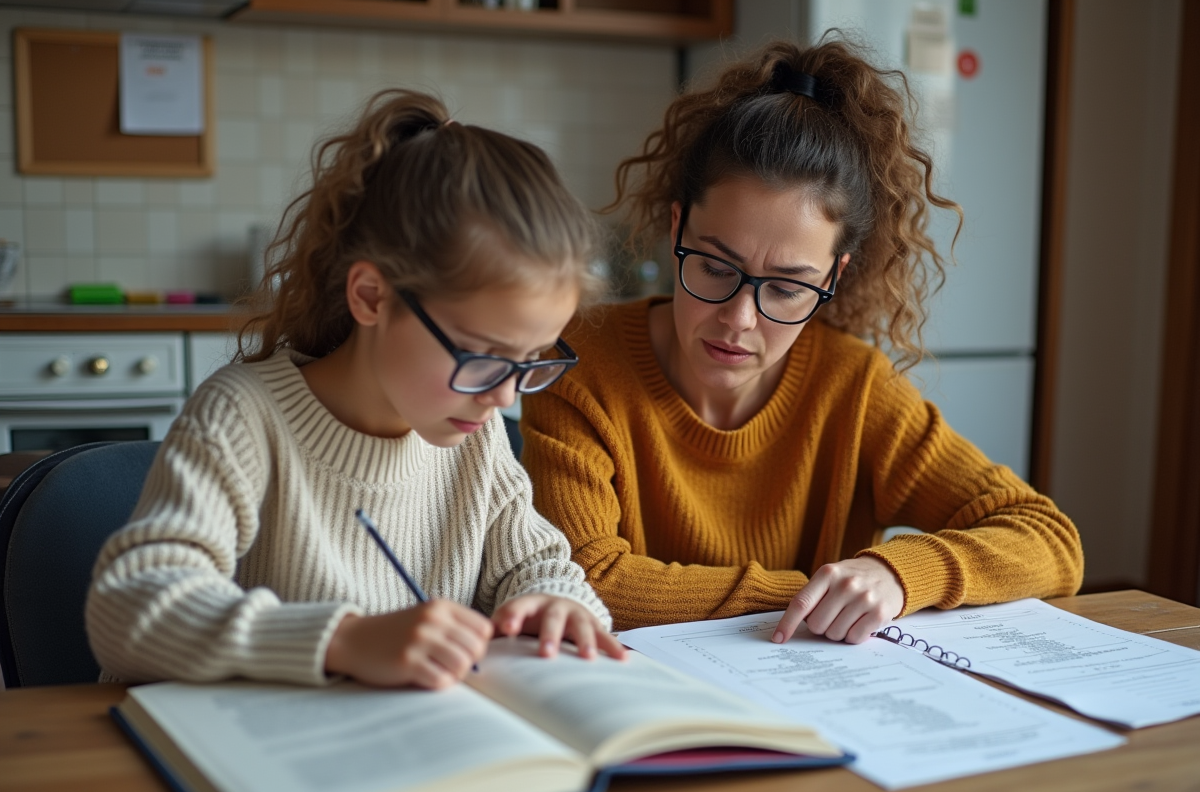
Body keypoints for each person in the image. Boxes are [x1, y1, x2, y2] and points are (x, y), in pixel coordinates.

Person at [519, 39, 1083, 645]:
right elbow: (584, 581)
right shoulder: (580, 360)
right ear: (678, 227)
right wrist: (818, 595)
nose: (738, 318)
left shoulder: (854, 386)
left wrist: (898, 573)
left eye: (787, 287)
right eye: (714, 266)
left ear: (834, 278)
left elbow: (1047, 537)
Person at [86, 89, 625, 690]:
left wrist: (556, 602)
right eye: (483, 356)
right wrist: (342, 641)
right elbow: (129, 610)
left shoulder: (476, 434)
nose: (504, 397)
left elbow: (538, 565)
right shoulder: (244, 418)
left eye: (529, 360)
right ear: (371, 296)